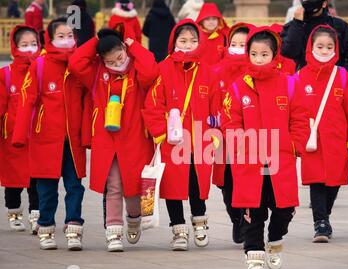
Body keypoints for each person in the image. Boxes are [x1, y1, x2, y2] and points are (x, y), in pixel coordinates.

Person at [222, 27, 303, 269]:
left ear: (274, 54)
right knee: (252, 210)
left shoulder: (289, 84)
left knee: (284, 208)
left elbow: (300, 119)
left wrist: (292, 145)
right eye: (254, 54)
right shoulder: (238, 88)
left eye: (264, 54)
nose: (258, 59)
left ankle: (276, 239)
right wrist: (241, 144)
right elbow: (229, 121)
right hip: (249, 160)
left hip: (280, 158)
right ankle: (254, 256)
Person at [68, 27, 159, 252]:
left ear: (124, 50)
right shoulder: (98, 73)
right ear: (102, 60)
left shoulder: (136, 69)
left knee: (134, 188)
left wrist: (133, 44)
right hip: (107, 140)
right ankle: (114, 232)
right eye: (111, 60)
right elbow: (76, 63)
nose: (117, 63)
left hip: (135, 137)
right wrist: (97, 40)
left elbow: (151, 70)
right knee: (114, 185)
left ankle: (134, 217)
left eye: (120, 56)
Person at [143, 19, 220, 251]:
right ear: (174, 42)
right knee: (173, 187)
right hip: (173, 140)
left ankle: (199, 222)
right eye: (183, 40)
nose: (188, 45)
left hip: (200, 140)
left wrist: (215, 135)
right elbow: (153, 104)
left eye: (193, 40)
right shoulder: (163, 69)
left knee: (198, 184)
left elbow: (217, 106)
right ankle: (178, 230)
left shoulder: (207, 72)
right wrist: (159, 133)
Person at [12, 17, 88, 251]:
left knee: (75, 186)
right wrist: (19, 135)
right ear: (50, 39)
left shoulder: (81, 64)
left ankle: (73, 227)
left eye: (70, 36)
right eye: (60, 36)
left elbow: (90, 99)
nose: (66, 41)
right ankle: (46, 227)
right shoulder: (41, 65)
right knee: (46, 188)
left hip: (73, 140)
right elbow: (27, 100)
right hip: (45, 138)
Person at [296, 25, 348, 243]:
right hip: (311, 141)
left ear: (336, 49)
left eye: (329, 46)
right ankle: (320, 223)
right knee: (316, 181)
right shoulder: (300, 77)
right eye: (320, 46)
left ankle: (326, 216)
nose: (324, 50)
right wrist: (297, 140)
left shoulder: (342, 76)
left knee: (334, 181)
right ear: (310, 47)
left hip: (337, 140)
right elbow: (294, 112)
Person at [212, 22, 252, 244]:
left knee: (248, 182)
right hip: (223, 140)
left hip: (250, 139)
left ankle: (248, 224)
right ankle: (236, 218)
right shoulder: (217, 71)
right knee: (226, 185)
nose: (237, 48)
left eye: (243, 44)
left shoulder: (258, 72)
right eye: (234, 44)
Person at [0, 25, 41, 234]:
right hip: (13, 138)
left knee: (36, 179)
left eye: (33, 44)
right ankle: (14, 212)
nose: (30, 49)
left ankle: (36, 215)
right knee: (13, 179)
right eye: (24, 45)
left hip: (36, 135)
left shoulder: (42, 70)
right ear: (15, 47)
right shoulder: (5, 74)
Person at [281, 0, 348, 77]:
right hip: (304, 83)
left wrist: (343, 76)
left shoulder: (339, 26)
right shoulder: (295, 25)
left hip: (332, 85)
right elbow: (288, 52)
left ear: (324, 3)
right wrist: (297, 23)